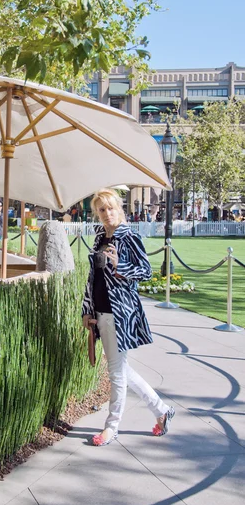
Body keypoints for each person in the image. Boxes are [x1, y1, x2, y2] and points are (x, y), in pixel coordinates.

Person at [82, 188, 175, 446]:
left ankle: (112, 427)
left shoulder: (129, 235)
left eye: (111, 208)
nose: (107, 213)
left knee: (116, 373)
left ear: (119, 209)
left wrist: (118, 265)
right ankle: (162, 411)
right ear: (97, 213)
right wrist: (86, 310)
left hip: (120, 313)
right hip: (100, 310)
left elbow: (146, 271)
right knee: (120, 368)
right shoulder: (100, 236)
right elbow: (93, 278)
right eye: (102, 209)